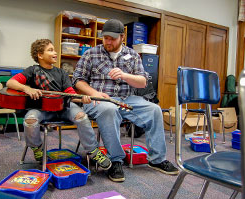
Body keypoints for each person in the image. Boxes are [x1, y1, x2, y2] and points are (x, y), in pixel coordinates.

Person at [72, 19, 179, 182]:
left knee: (154, 110)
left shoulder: (133, 55)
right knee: (109, 109)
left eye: (112, 38)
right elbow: (78, 79)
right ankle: (115, 160)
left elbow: (142, 82)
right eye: (105, 37)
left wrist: (124, 75)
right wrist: (94, 92)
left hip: (127, 99)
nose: (108, 42)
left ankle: (157, 160)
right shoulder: (91, 53)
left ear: (122, 37)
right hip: (98, 100)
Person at [6, 39, 111, 170]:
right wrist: (27, 89)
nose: (55, 52)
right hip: (41, 108)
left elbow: (71, 94)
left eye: (54, 50)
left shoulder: (62, 73)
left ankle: (93, 150)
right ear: (40, 55)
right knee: (30, 120)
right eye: (50, 50)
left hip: (63, 107)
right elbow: (10, 83)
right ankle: (37, 148)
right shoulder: (32, 71)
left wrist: (83, 99)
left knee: (81, 116)